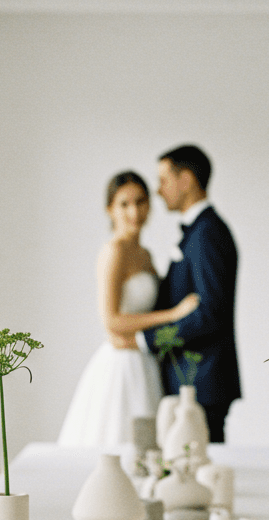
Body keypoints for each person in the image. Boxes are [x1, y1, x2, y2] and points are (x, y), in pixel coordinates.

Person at [58, 171, 199, 448]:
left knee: (149, 446)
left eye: (140, 202)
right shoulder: (114, 251)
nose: (134, 211)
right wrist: (173, 315)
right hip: (120, 365)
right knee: (116, 443)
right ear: (110, 209)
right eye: (124, 204)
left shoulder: (144, 254)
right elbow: (111, 320)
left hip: (145, 361)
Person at [144, 145, 241, 443]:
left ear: (185, 180)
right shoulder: (199, 231)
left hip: (202, 379)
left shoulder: (207, 233)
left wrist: (152, 339)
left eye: (164, 180)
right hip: (193, 379)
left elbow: (209, 312)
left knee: (201, 476)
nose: (158, 191)